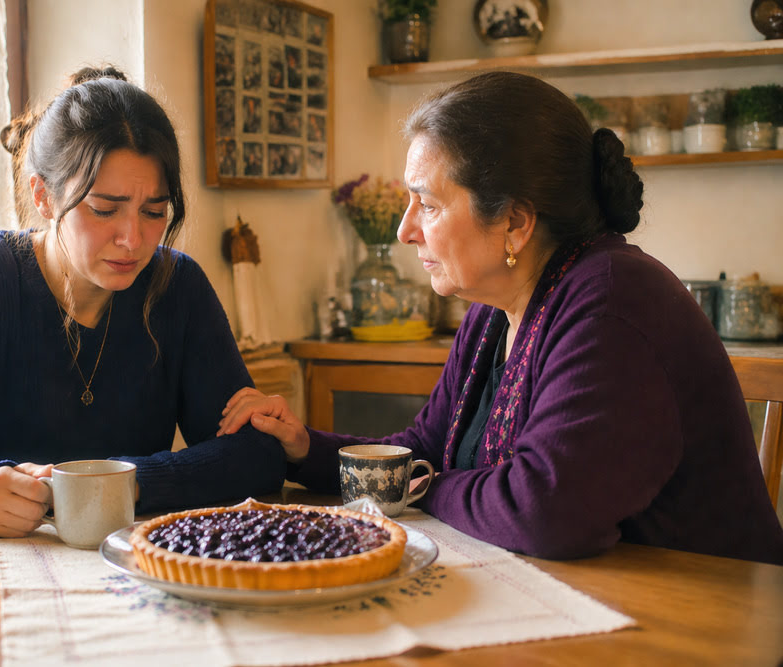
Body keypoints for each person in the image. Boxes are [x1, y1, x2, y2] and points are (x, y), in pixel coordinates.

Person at [220, 71, 783, 565]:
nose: (404, 229)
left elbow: (546, 511)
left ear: (514, 222)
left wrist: (426, 487)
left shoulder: (612, 302)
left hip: (703, 614)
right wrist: (303, 447)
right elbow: (425, 448)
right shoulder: (497, 311)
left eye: (430, 204)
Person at [0, 66, 286, 540]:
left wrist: (123, 484)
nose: (132, 239)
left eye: (154, 212)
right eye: (103, 209)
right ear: (44, 197)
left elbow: (257, 454)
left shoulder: (178, 286)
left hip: (129, 568)